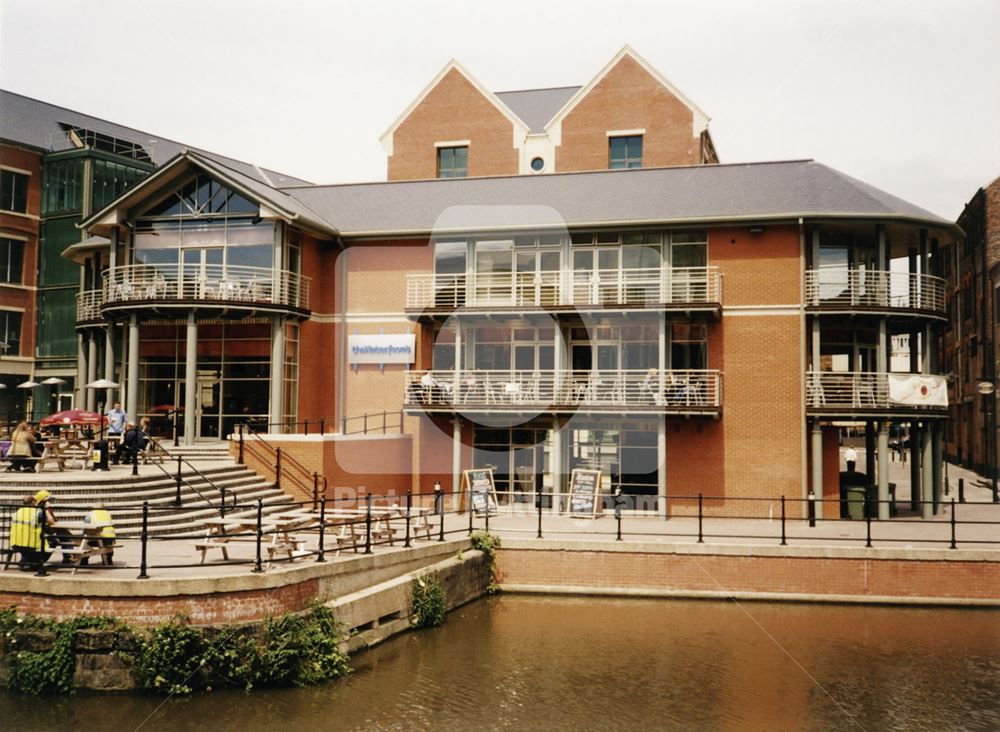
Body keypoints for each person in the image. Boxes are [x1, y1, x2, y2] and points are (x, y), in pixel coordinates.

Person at [10, 495, 46, 571]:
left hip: (16, 542)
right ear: (33, 502)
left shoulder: (18, 512)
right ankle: (35, 563)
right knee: (52, 542)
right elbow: (47, 521)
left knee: (26, 550)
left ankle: (26, 561)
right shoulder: (37, 512)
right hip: (31, 542)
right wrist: (46, 509)